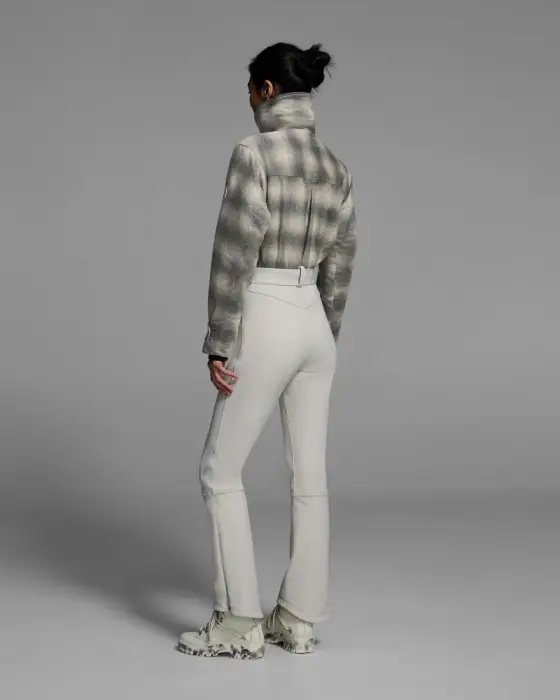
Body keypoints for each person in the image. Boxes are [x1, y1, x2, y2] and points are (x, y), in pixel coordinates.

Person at [177, 41, 357, 660]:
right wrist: (323, 333)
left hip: (267, 308)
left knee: (219, 471)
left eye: (251, 88)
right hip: (314, 323)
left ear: (269, 91)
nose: (248, 99)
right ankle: (299, 619)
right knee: (309, 476)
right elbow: (342, 263)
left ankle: (238, 623)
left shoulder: (253, 153)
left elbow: (235, 252)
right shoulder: (336, 168)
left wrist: (220, 341)